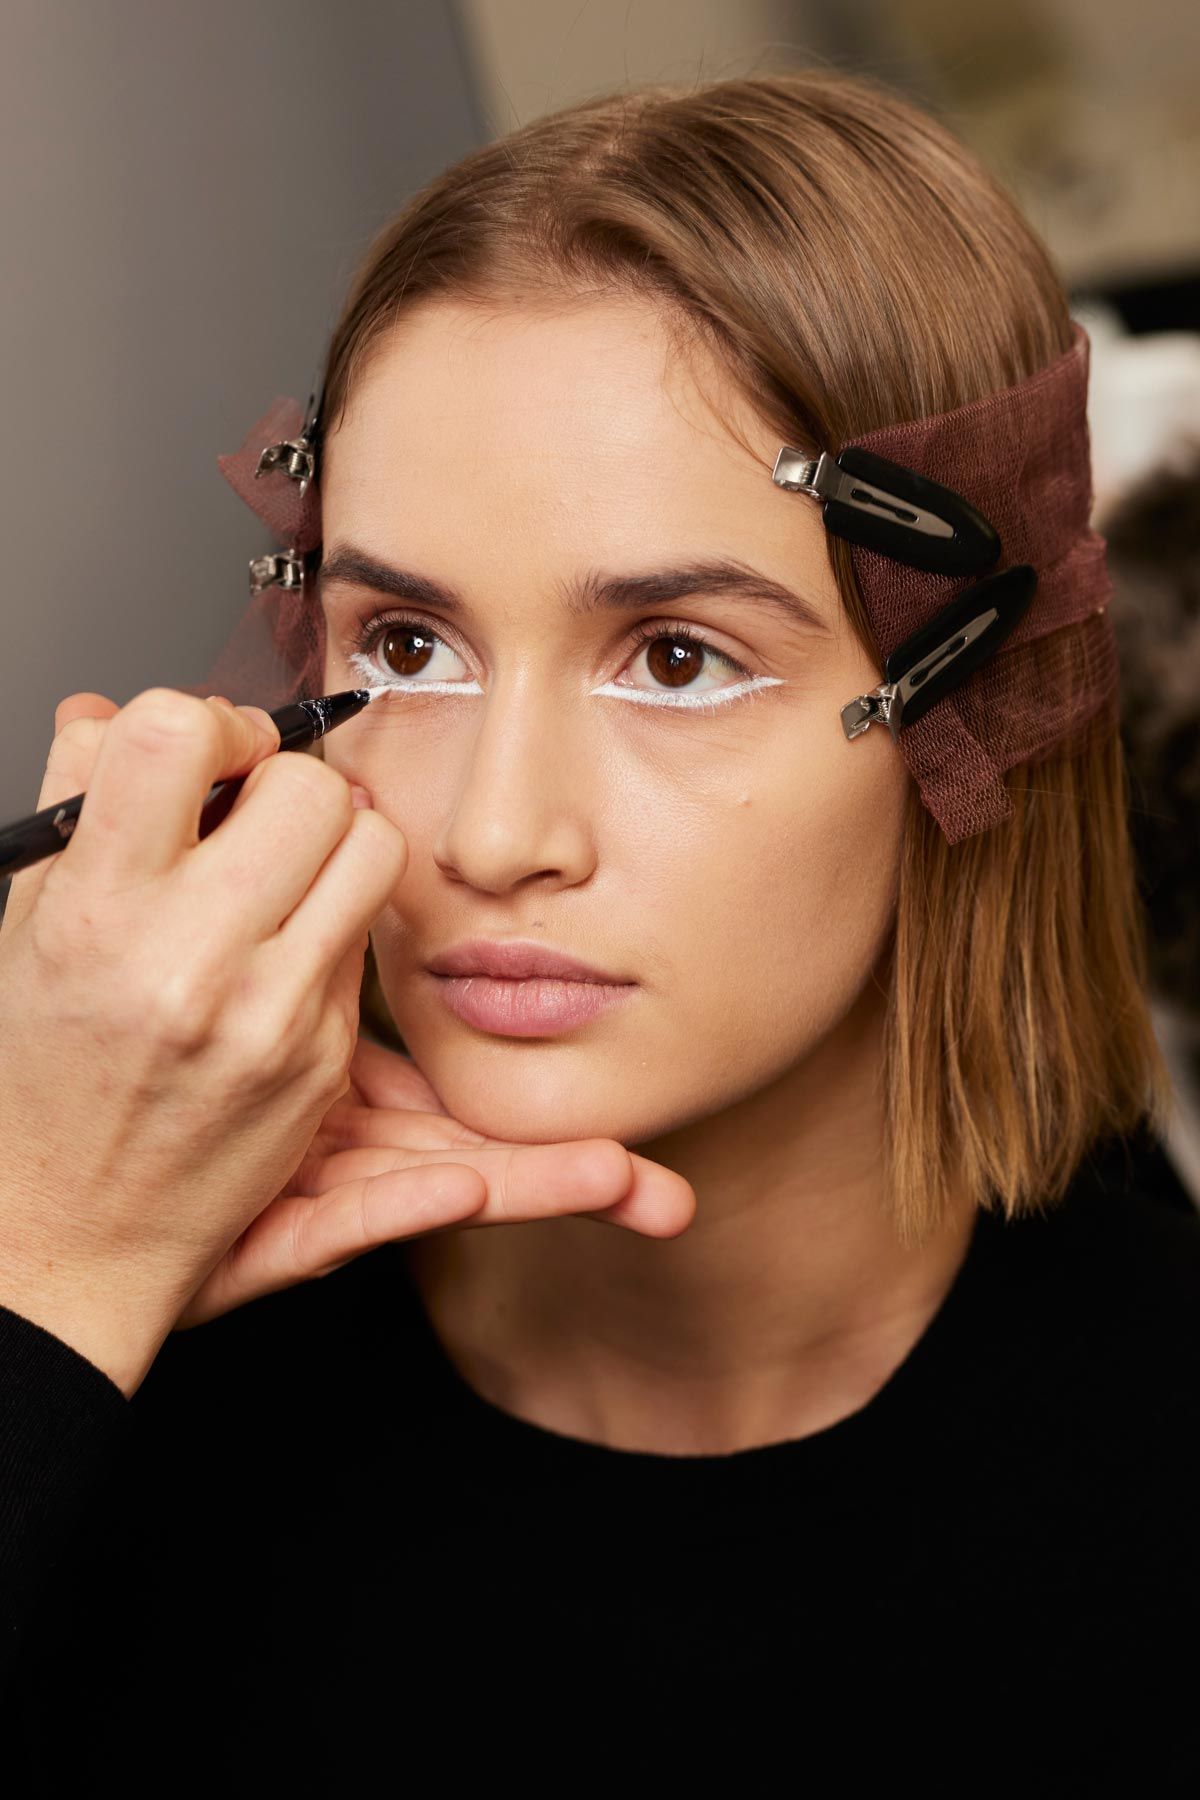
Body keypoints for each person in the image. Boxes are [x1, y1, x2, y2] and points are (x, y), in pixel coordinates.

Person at [2, 68, 1197, 1785]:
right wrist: (41, 1273)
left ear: (973, 706)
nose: (496, 834)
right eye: (406, 646)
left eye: (680, 660)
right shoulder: (96, 1366)